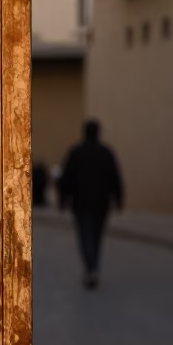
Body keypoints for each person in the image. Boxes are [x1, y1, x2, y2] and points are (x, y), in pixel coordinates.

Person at [58, 120, 124, 289]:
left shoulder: (76, 152)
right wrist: (118, 200)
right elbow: (115, 178)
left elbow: (66, 178)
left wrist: (63, 200)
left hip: (81, 202)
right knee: (96, 236)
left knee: (85, 236)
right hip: (101, 202)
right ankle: (93, 268)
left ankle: (90, 269)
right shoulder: (106, 153)